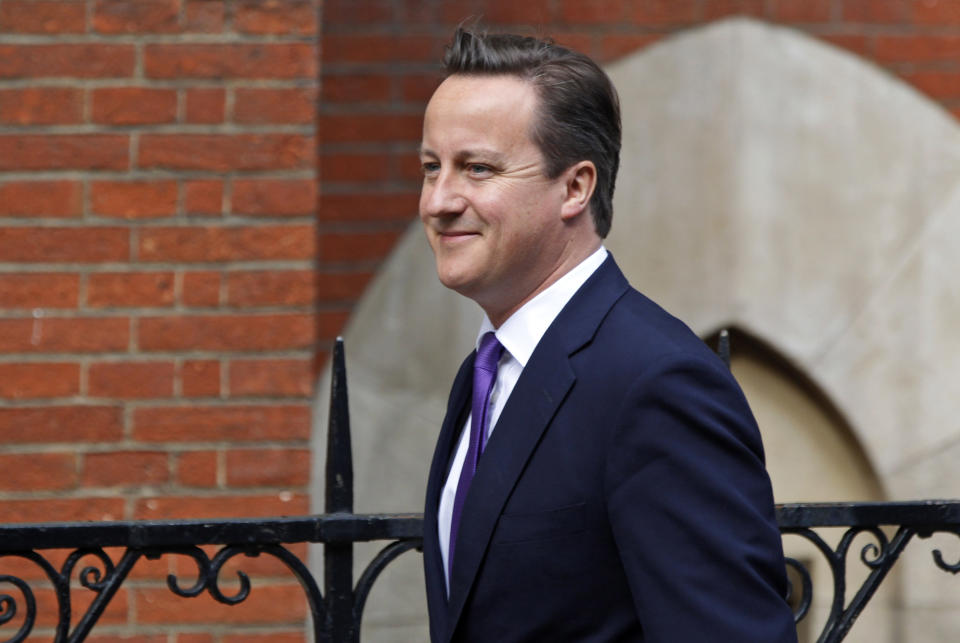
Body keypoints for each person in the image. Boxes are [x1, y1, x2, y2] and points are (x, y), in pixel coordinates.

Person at [419, 27, 798, 643]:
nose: (438, 201)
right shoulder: (485, 373)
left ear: (575, 187)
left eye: (477, 169)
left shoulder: (657, 382)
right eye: (431, 168)